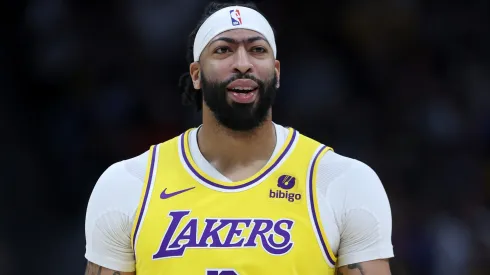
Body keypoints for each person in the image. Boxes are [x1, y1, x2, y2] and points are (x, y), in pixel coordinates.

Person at [84, 1, 394, 275]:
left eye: (257, 49)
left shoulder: (343, 182)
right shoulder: (128, 184)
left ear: (276, 71)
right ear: (195, 74)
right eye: (223, 50)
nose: (243, 63)